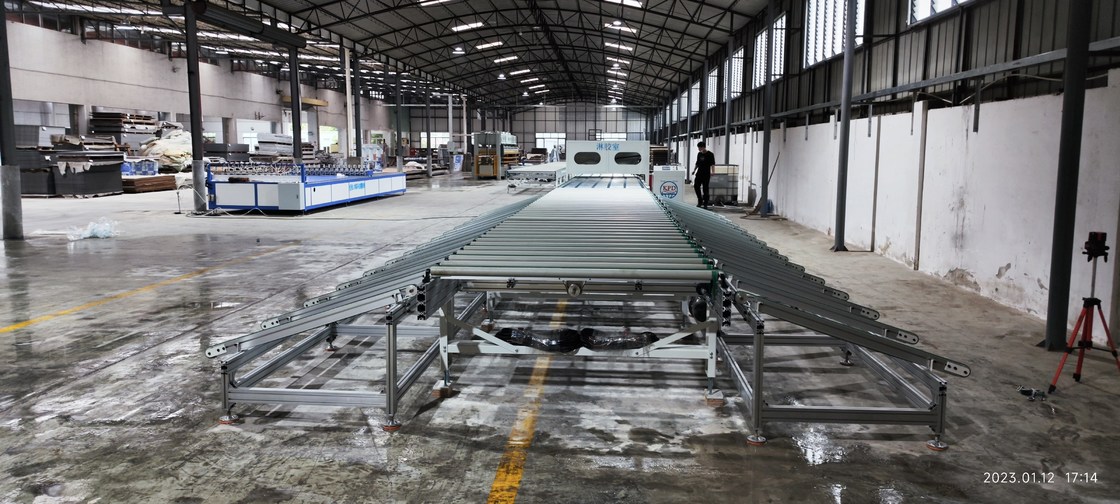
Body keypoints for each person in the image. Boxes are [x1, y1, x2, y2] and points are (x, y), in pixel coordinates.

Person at [692, 141, 715, 208]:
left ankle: (705, 203)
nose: (699, 149)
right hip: (699, 173)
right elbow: (697, 163)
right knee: (696, 186)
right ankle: (700, 200)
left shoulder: (710, 154)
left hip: (706, 174)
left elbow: (712, 164)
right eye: (698, 148)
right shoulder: (699, 154)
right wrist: (694, 170)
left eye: (699, 148)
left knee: (705, 188)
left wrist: (713, 172)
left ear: (703, 147)